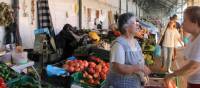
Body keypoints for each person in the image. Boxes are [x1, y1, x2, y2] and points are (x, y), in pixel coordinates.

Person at [103, 13, 151, 88]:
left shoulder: (135, 42)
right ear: (126, 27)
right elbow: (119, 68)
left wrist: (143, 76)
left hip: (134, 84)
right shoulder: (119, 45)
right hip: (121, 84)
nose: (138, 25)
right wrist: (140, 67)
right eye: (135, 23)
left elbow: (139, 61)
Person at [164, 6, 200, 88]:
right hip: (192, 81)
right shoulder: (192, 37)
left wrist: (172, 75)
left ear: (195, 22)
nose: (182, 23)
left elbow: (194, 66)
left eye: (185, 20)